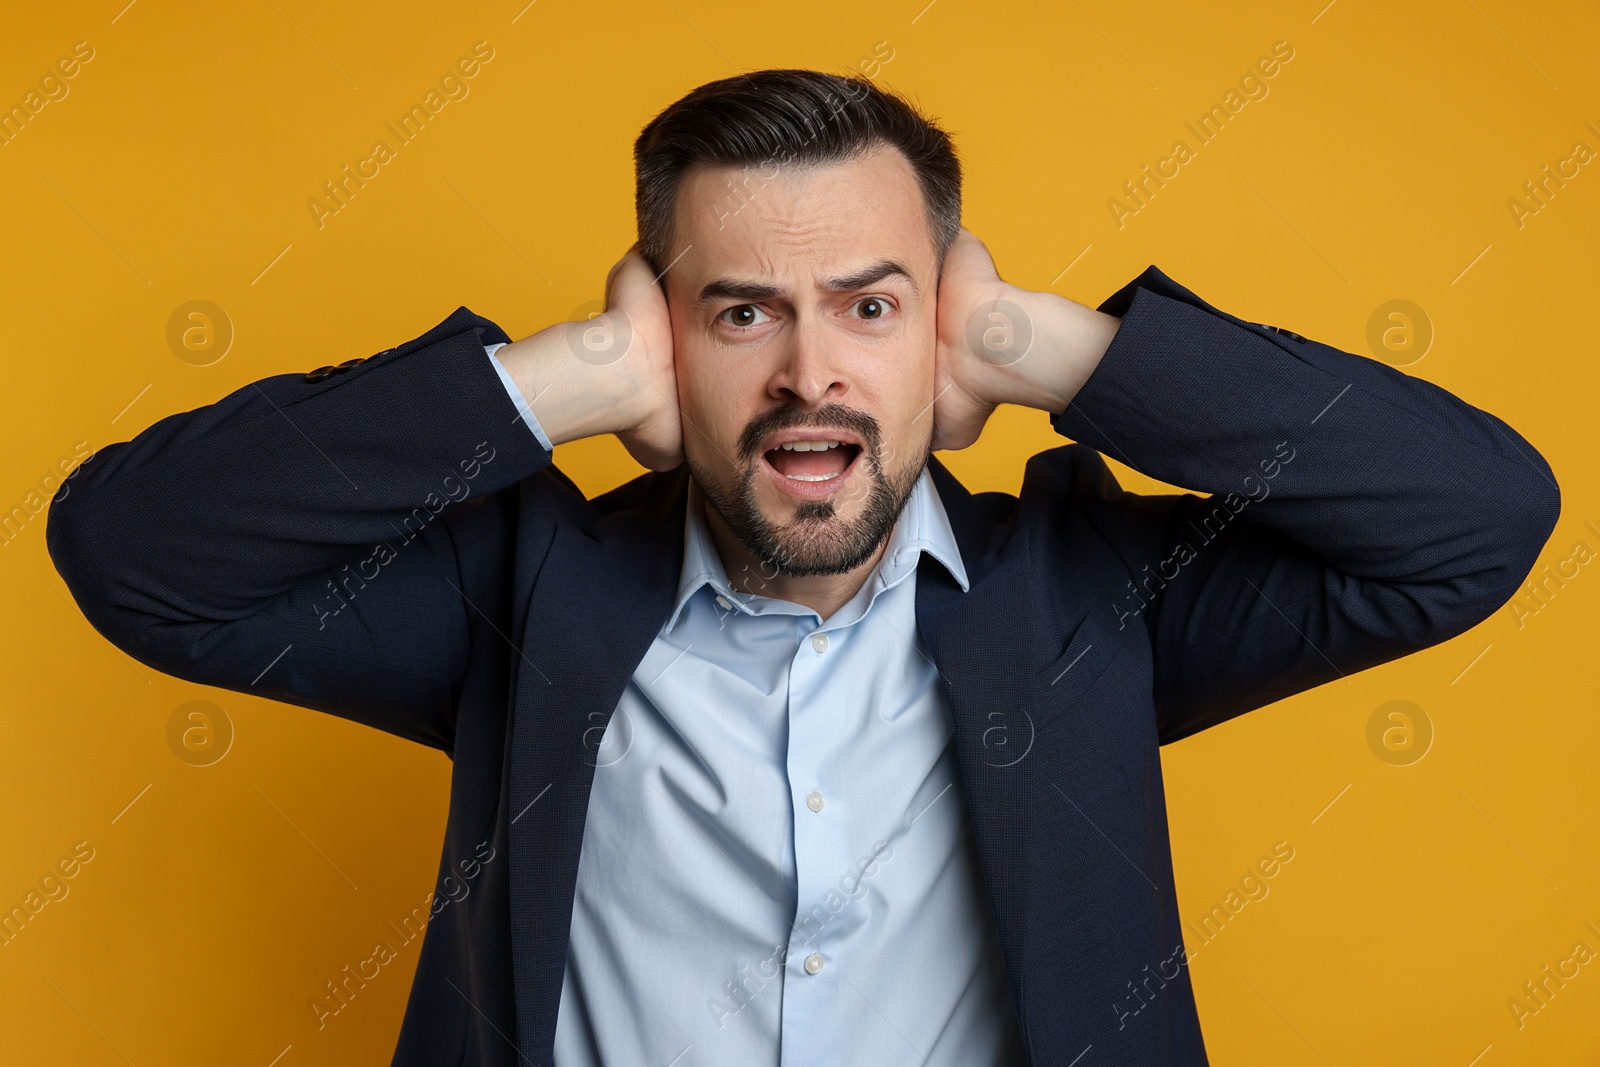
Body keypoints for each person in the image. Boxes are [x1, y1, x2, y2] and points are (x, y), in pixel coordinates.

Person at [47, 69, 1559, 1066]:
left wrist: (1052, 347)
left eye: (873, 307)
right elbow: (135, 556)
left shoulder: (1095, 601)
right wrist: (561, 377)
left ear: (943, 331)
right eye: (742, 315)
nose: (812, 373)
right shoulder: (518, 601)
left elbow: (1474, 518)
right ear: (666, 342)